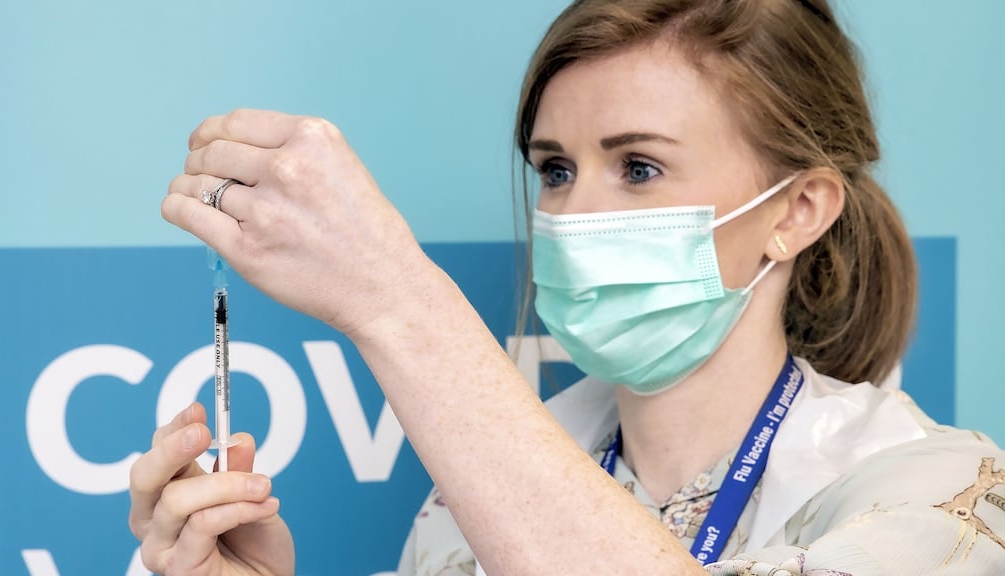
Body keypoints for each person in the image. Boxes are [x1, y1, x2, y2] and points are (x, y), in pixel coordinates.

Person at [129, 0, 1005, 574]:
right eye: (554, 170)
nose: (577, 213)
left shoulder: (945, 497)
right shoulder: (464, 512)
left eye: (638, 166)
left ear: (800, 208)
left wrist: (397, 300)